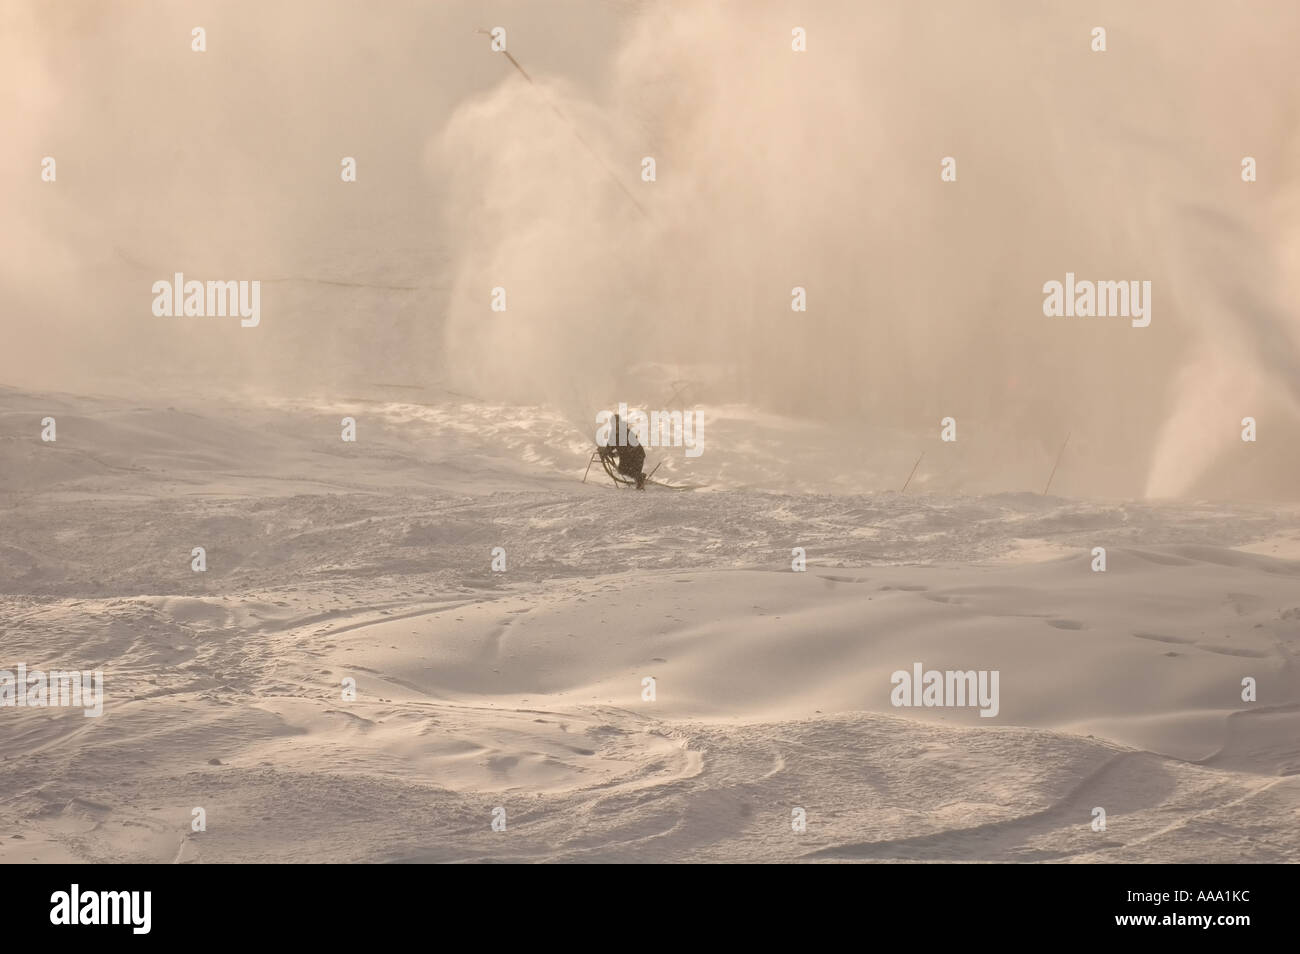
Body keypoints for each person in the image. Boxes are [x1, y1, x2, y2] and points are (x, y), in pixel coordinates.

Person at [599, 413, 647, 489]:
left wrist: (616, 454)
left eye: (616, 423)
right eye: (613, 423)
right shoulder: (613, 434)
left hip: (637, 455)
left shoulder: (626, 432)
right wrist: (605, 451)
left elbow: (630, 446)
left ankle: (640, 480)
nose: (614, 425)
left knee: (627, 470)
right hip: (627, 456)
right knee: (622, 470)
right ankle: (639, 478)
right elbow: (610, 446)